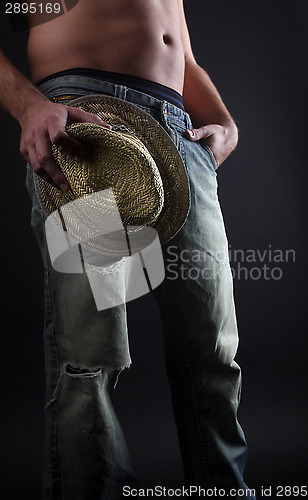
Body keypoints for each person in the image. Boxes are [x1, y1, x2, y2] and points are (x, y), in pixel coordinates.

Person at [0, 1, 255, 498]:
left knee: (213, 347)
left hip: (179, 137)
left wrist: (225, 123)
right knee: (90, 353)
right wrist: (31, 106)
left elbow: (181, 52)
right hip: (88, 135)